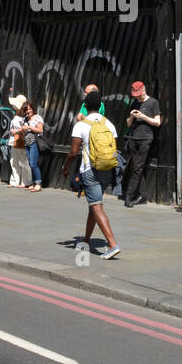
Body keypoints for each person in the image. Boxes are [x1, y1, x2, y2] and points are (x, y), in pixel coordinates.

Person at [61, 90, 121, 259]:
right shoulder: (109, 124)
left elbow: (73, 152)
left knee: (96, 206)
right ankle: (86, 241)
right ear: (101, 106)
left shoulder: (81, 125)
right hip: (107, 169)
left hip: (89, 170)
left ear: (85, 107)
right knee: (93, 205)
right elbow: (113, 148)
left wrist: (66, 168)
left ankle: (112, 244)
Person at [121, 81, 160, 208]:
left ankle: (129, 196)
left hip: (145, 138)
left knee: (137, 168)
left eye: (138, 94)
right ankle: (142, 195)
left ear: (143, 89)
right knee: (138, 167)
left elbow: (157, 122)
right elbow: (128, 123)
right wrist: (132, 116)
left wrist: (143, 117)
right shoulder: (135, 102)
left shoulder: (153, 102)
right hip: (133, 137)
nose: (137, 97)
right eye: (135, 94)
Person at [22, 100, 45, 192]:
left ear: (33, 109)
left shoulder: (37, 117)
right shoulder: (26, 119)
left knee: (33, 163)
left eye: (30, 109)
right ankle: (34, 183)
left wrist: (29, 127)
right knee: (30, 164)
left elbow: (40, 130)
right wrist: (23, 130)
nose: (28, 111)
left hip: (34, 142)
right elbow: (24, 132)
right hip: (26, 143)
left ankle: (38, 184)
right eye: (27, 110)